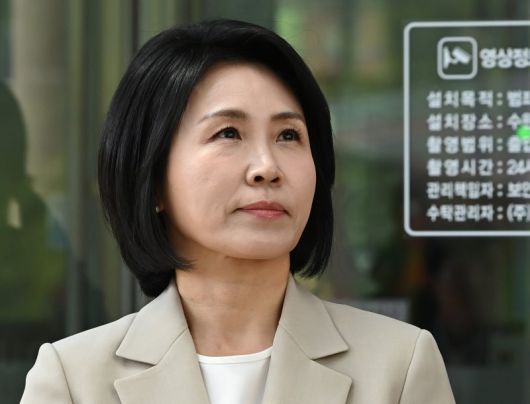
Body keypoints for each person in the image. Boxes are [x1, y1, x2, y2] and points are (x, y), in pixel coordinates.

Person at [21, 19, 455, 404]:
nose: (267, 167)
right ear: (152, 178)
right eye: (228, 133)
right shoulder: (74, 379)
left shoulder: (399, 364)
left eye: (289, 135)